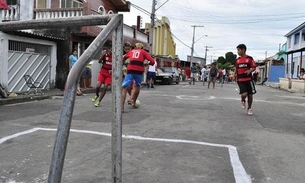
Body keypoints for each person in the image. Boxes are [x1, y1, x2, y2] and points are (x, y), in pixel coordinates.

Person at [122, 42, 155, 112]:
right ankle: (132, 100)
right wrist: (147, 64)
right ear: (142, 48)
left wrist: (123, 63)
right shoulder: (143, 52)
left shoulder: (131, 51)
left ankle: (122, 107)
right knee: (137, 85)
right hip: (139, 71)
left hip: (130, 70)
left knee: (124, 88)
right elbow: (152, 61)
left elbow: (124, 58)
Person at [234, 44, 257, 116]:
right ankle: (242, 99)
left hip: (249, 79)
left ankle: (249, 108)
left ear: (243, 50)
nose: (237, 52)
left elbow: (254, 67)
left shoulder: (249, 58)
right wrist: (234, 75)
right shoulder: (237, 60)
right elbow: (236, 69)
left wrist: (249, 71)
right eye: (237, 50)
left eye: (238, 50)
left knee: (250, 94)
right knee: (244, 94)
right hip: (240, 79)